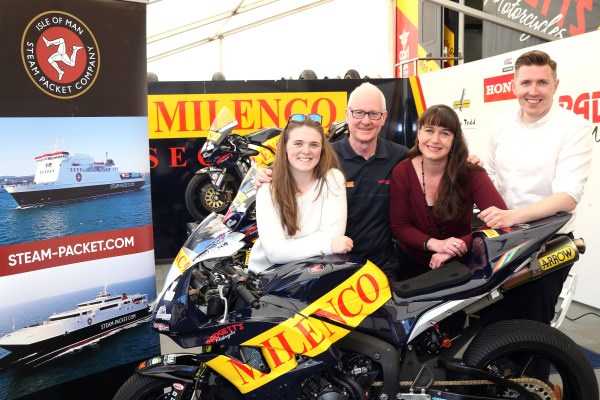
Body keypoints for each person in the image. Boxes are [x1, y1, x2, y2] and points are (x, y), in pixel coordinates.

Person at [479, 49, 593, 326]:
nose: (534, 91)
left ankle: (531, 373)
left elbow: (567, 197)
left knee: (532, 331)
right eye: (526, 83)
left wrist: (510, 216)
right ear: (514, 86)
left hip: (548, 244)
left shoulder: (575, 128)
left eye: (542, 82)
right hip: (501, 243)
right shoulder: (501, 125)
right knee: (491, 325)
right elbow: (491, 175)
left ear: (555, 85)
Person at [389, 104, 507, 278]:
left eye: (445, 133)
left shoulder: (471, 173)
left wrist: (456, 247)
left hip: (460, 266)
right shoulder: (402, 171)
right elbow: (400, 226)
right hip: (410, 268)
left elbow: (501, 219)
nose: (435, 140)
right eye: (429, 130)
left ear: (454, 140)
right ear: (419, 133)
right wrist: (436, 244)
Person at [248, 114, 353, 273]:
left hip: (313, 272)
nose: (306, 151)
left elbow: (333, 234)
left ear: (322, 149)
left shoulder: (332, 179)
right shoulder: (267, 184)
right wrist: (326, 245)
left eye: (314, 144)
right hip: (267, 276)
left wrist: (288, 248)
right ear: (284, 146)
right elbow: (274, 253)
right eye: (298, 143)